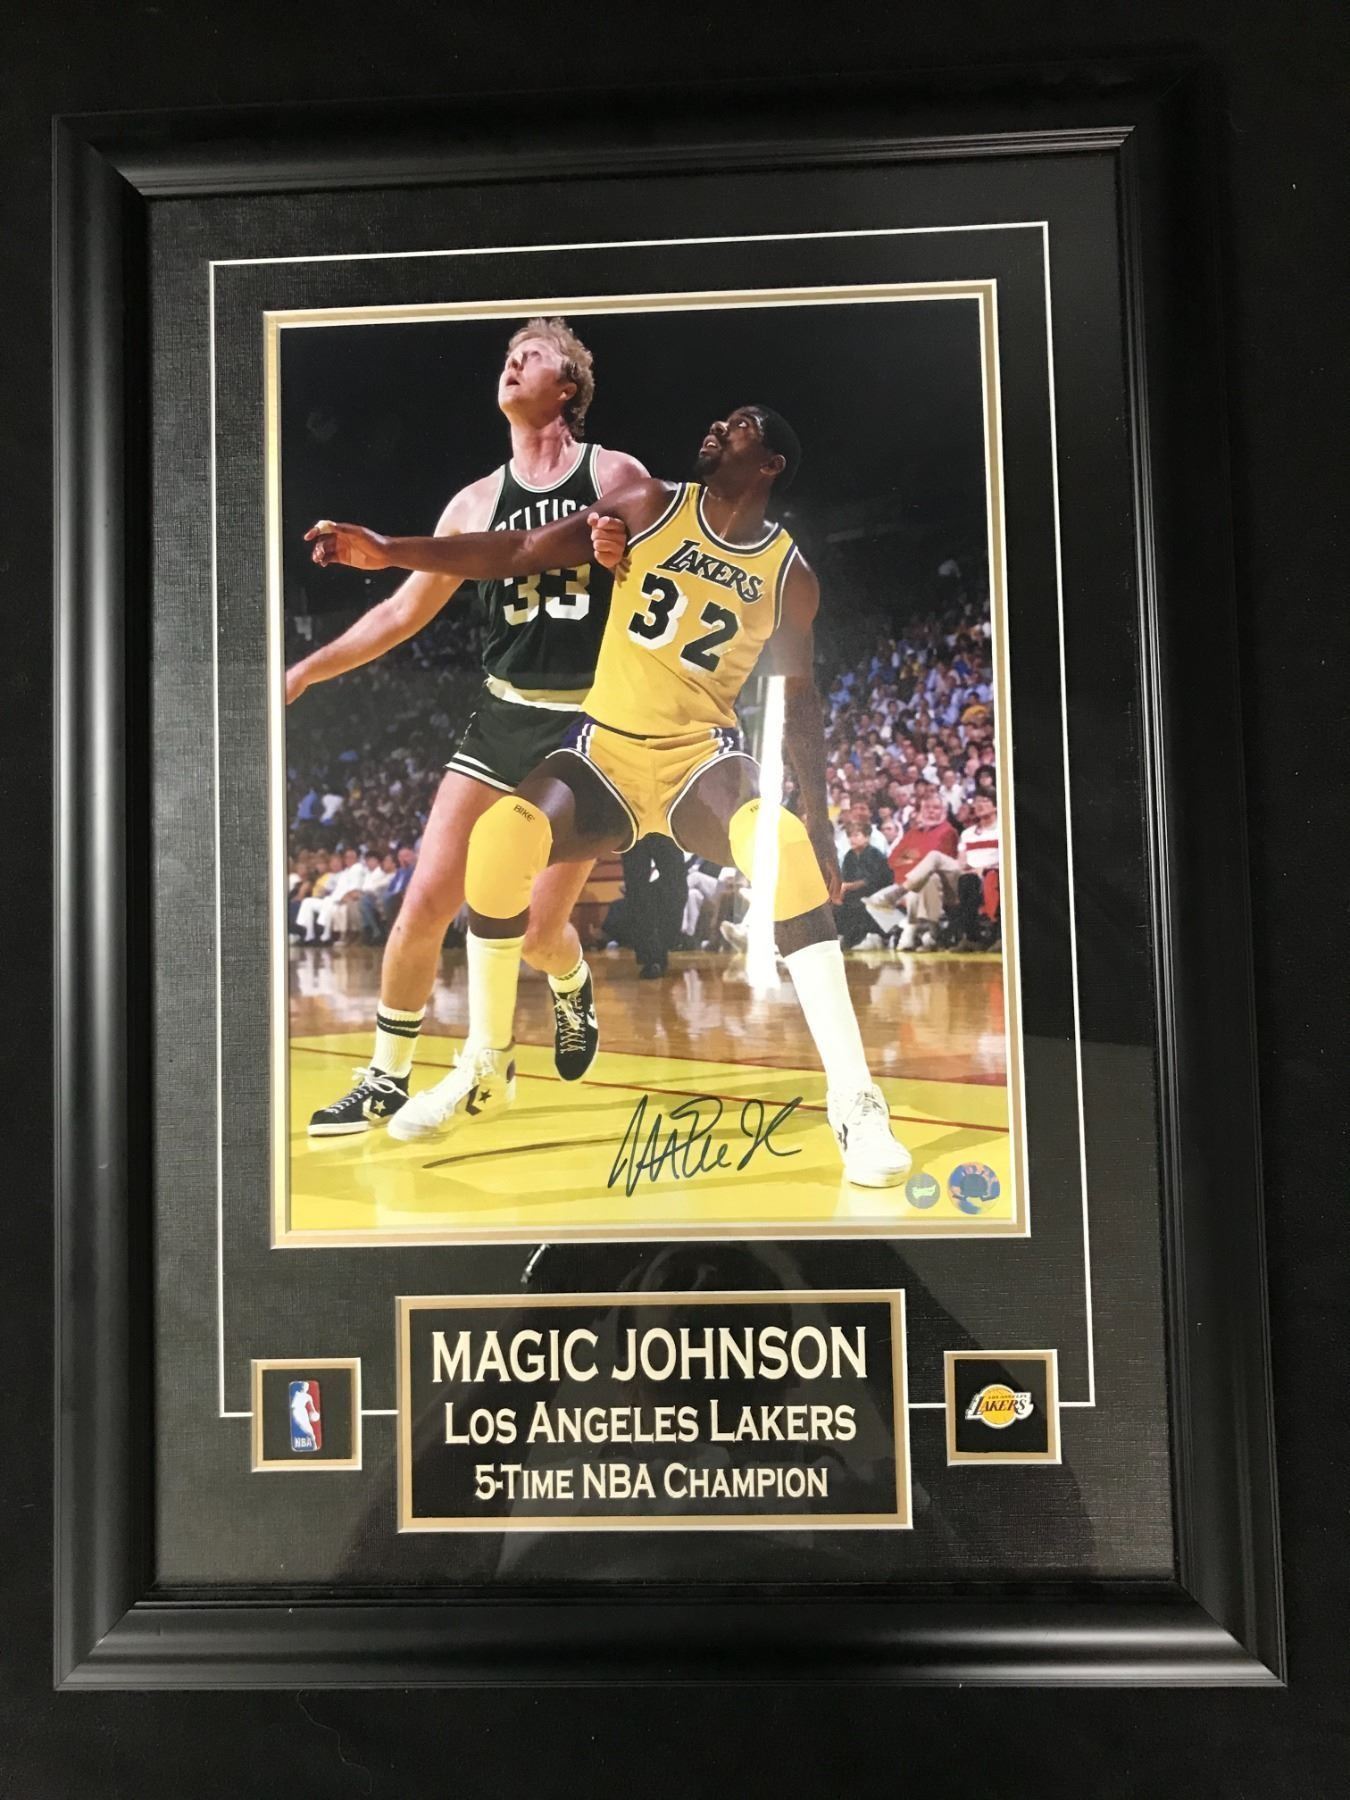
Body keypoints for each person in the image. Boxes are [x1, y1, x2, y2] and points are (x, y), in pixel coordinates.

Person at [308, 405, 911, 1186]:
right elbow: (521, 549)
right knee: (499, 837)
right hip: (607, 752)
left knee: (785, 844)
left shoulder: (789, 572)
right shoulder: (649, 504)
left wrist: (822, 825)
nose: (717, 425)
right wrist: (392, 550)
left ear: (770, 464)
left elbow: (800, 699)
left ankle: (857, 1102)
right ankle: (485, 1063)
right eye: (720, 419)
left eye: (740, 425)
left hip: (699, 759)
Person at [287, 318, 645, 1135]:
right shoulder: (474, 502)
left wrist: (626, 555)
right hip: (502, 717)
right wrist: (306, 669)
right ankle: (386, 1077)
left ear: (568, 387)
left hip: (588, 729)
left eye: (534, 355)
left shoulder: (614, 473)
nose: (513, 362)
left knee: (539, 934)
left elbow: (663, 577)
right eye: (509, 355)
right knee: (424, 902)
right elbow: (400, 613)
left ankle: (570, 981)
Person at [835, 824, 892, 949]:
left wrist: (849, 886)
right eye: (850, 836)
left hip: (874, 891)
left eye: (856, 835)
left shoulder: (875, 854)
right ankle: (843, 936)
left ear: (867, 837)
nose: (852, 839)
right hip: (852, 892)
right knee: (837, 903)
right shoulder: (849, 855)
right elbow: (845, 877)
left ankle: (868, 937)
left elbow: (874, 880)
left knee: (859, 903)